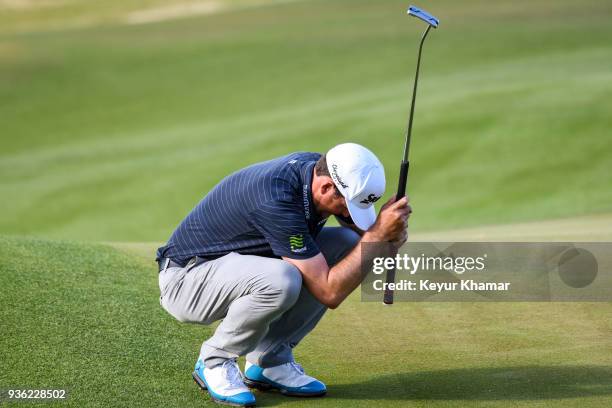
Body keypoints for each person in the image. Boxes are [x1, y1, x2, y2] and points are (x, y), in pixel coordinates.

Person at [156, 143, 410, 407]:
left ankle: (269, 359)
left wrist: (389, 234)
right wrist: (378, 236)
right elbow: (329, 291)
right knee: (282, 280)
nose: (347, 213)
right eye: (347, 205)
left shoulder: (317, 170)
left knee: (347, 242)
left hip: (232, 267)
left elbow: (360, 234)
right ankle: (215, 360)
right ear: (325, 187)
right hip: (186, 281)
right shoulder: (277, 200)